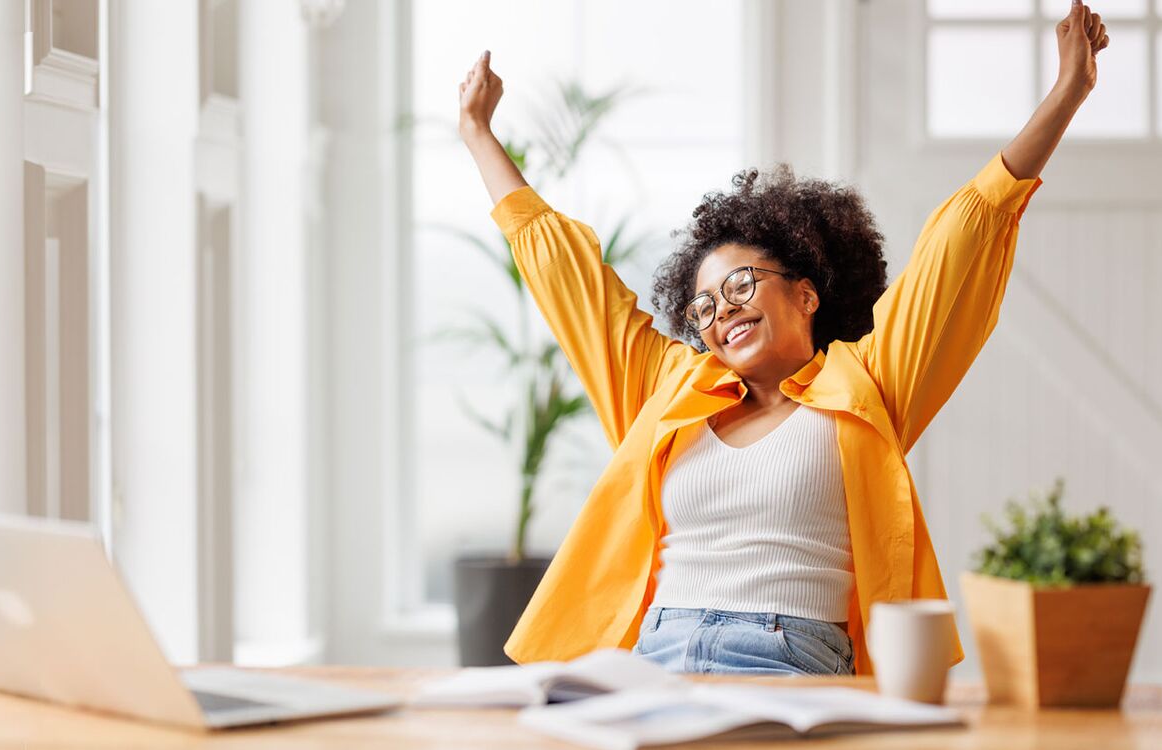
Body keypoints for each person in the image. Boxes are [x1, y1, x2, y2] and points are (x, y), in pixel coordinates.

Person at [454, 2, 1110, 675]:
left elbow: (963, 242)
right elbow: (572, 282)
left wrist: (1066, 93)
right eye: (704, 305)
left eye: (741, 285)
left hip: (787, 658)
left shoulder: (867, 385)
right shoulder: (670, 390)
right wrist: (478, 134)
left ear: (806, 292)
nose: (722, 312)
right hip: (655, 654)